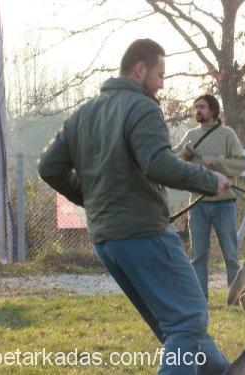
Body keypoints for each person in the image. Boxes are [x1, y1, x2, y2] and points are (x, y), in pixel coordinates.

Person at [38, 38, 230, 375]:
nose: (162, 84)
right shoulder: (142, 107)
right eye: (160, 74)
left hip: (106, 240)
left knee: (180, 327)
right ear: (140, 69)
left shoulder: (82, 114)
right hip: (144, 233)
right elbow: (157, 164)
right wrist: (208, 180)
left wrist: (90, 197)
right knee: (187, 321)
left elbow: (48, 167)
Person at [174, 95, 245, 299]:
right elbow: (174, 165)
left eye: (202, 107)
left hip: (224, 204)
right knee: (198, 257)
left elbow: (241, 164)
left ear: (213, 111)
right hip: (197, 205)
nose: (198, 110)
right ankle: (200, 300)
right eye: (196, 107)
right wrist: (185, 155)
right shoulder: (190, 135)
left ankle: (236, 299)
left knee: (231, 256)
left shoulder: (227, 134)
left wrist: (215, 162)